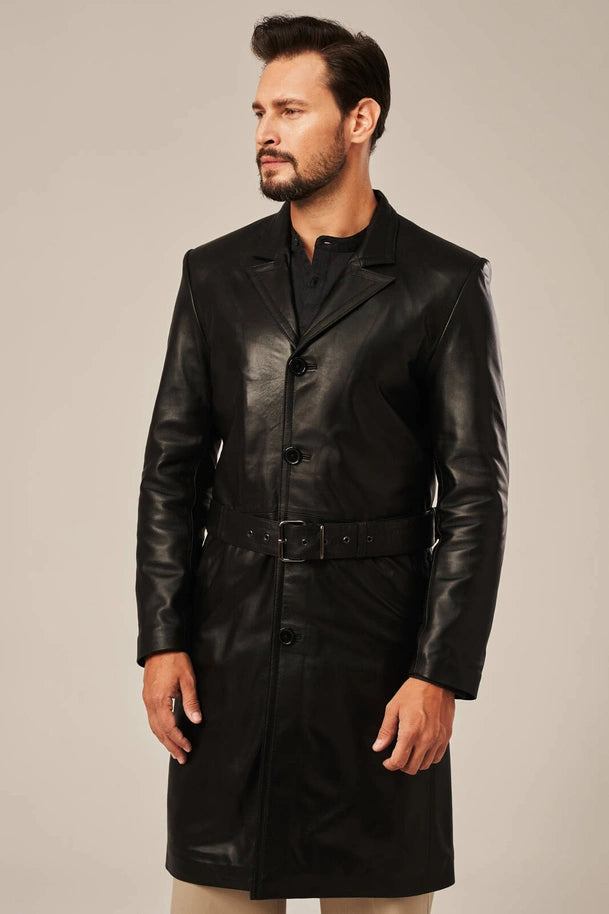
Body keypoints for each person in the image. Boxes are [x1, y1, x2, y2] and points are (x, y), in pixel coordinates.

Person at [135, 13, 509, 914]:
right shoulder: (215, 275)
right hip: (230, 658)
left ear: (360, 119)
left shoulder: (441, 285)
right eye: (259, 111)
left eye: (291, 110)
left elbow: (473, 498)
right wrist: (162, 638)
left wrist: (439, 674)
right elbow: (172, 471)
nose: (265, 132)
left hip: (375, 667)